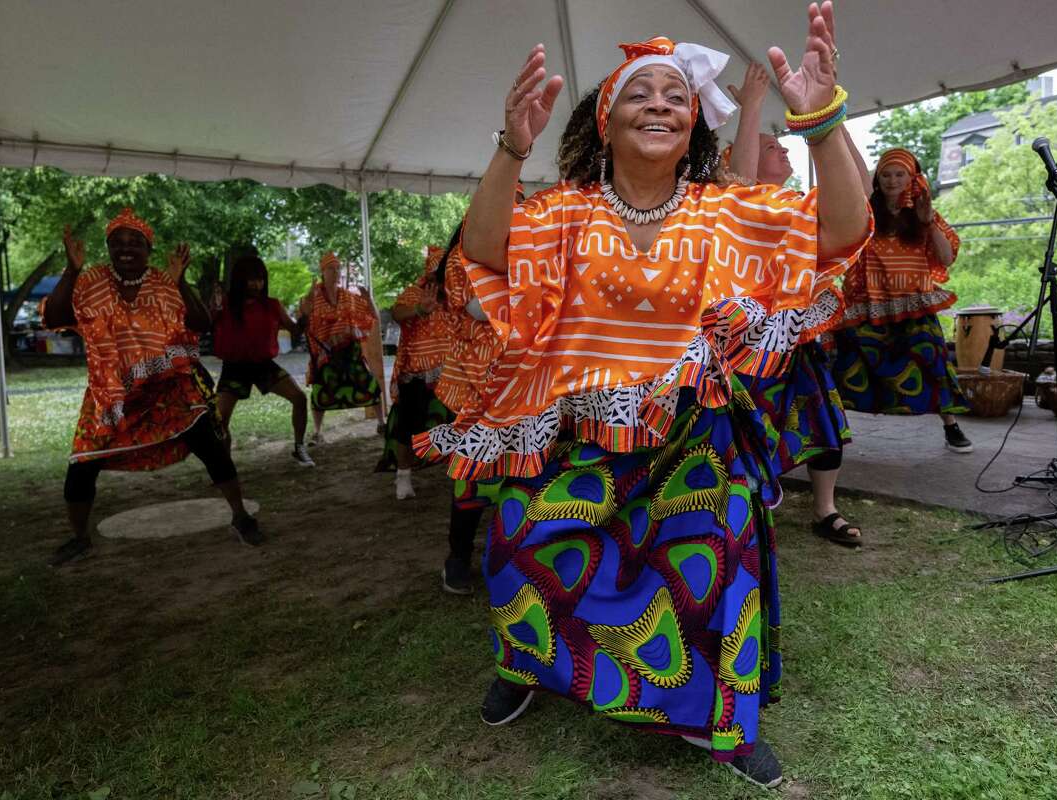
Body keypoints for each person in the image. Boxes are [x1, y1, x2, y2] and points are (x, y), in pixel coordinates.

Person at [415, 3, 871, 787]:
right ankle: (528, 664)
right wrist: (511, 147)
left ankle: (717, 721)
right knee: (522, 543)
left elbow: (839, 229)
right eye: (640, 93)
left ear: (694, 123)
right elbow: (485, 250)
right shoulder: (564, 211)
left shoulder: (726, 208)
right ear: (606, 121)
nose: (660, 103)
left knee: (714, 564)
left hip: (695, 436)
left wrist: (821, 123)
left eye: (675, 94)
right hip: (585, 438)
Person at [41, 209, 263, 565]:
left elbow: (202, 323)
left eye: (135, 242)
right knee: (82, 464)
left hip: (168, 387)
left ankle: (240, 516)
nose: (126, 249)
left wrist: (180, 281)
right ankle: (79, 538)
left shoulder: (163, 281)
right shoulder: (91, 281)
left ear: (148, 248)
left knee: (211, 445)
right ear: (109, 247)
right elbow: (54, 318)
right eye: (118, 242)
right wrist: (72, 269)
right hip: (113, 395)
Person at [724, 59, 871, 546]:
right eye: (772, 147)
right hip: (747, 343)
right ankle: (745, 509)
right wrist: (750, 110)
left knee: (825, 421)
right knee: (747, 430)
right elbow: (742, 178)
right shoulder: (734, 206)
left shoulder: (804, 208)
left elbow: (862, 195)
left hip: (799, 335)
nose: (782, 150)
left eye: (782, 144)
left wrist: (830, 119)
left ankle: (825, 509)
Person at [830, 147, 973, 452]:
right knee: (848, 363)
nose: (892, 181)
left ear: (912, 178)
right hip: (869, 304)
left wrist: (928, 222)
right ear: (877, 180)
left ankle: (951, 426)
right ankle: (832, 428)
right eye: (886, 174)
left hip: (914, 304)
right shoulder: (864, 212)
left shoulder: (924, 215)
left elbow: (946, 259)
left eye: (899, 174)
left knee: (933, 361)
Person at [431, 223, 507, 594]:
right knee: (472, 477)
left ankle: (513, 554)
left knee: (521, 470)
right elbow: (478, 307)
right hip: (470, 389)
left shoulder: (524, 252)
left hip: (514, 383)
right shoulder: (460, 260)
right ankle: (458, 558)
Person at [212, 255, 315, 467]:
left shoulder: (272, 305)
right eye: (251, 279)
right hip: (234, 367)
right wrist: (213, 308)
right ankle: (224, 467)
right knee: (219, 420)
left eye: (260, 279)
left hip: (263, 365)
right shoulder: (226, 304)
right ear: (240, 280)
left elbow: (295, 331)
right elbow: (206, 323)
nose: (256, 285)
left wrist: (305, 317)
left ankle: (299, 446)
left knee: (299, 398)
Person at [376, 247, 452, 499]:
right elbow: (397, 313)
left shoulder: (455, 295)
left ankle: (465, 474)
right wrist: (420, 309)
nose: (439, 278)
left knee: (463, 423)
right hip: (417, 373)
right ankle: (403, 476)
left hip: (452, 374)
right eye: (436, 272)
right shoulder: (413, 292)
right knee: (408, 428)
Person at [297, 252, 384, 445]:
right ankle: (318, 432)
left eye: (337, 268)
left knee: (370, 384)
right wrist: (308, 300)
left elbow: (374, 316)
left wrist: (369, 299)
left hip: (349, 352)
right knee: (321, 391)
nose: (335, 272)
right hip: (325, 355)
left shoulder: (348, 297)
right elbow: (302, 320)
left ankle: (381, 423)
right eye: (331, 269)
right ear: (322, 272)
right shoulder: (314, 296)